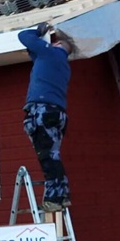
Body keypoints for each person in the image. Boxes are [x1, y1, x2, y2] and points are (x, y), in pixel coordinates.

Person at [19, 24, 75, 213]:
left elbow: (23, 35)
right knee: (53, 154)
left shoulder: (49, 53)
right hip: (57, 114)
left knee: (48, 157)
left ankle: (53, 199)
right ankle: (63, 195)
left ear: (57, 44)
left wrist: (39, 30)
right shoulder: (63, 65)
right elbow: (35, 56)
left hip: (42, 111)